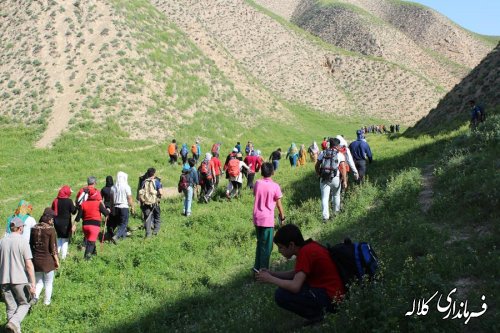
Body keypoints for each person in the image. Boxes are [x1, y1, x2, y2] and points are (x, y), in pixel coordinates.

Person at [255, 224, 344, 325]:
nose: (279, 251)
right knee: (288, 289)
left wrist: (270, 279)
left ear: (291, 245)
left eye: (281, 247)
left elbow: (295, 287)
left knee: (281, 295)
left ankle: (319, 316)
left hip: (332, 298)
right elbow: (296, 274)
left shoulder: (305, 253)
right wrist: (272, 273)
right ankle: (318, 314)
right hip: (333, 294)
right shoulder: (308, 247)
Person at [0, 217, 36, 333]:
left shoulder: (2, 241)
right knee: (25, 304)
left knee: (11, 307)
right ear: (20, 228)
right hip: (19, 279)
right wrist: (33, 283)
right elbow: (29, 264)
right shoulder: (22, 241)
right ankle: (14, 323)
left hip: (4, 280)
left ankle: (14, 329)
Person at [252, 162, 285, 271]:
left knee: (260, 243)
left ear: (261, 172)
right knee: (267, 246)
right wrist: (282, 216)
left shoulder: (257, 183)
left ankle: (256, 268)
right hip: (267, 220)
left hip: (257, 218)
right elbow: (279, 204)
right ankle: (263, 271)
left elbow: (255, 194)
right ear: (272, 172)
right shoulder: (275, 186)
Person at [30, 208, 59, 306]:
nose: (53, 220)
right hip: (48, 261)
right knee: (48, 282)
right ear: (49, 219)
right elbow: (53, 248)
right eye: (52, 218)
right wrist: (57, 261)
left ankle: (35, 298)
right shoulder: (50, 230)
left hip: (36, 260)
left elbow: (30, 245)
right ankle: (46, 303)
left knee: (39, 282)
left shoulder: (33, 228)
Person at [316, 138, 347, 222]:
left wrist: (318, 174)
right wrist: (344, 180)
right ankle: (336, 214)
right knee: (336, 195)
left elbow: (317, 165)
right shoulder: (340, 154)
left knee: (325, 198)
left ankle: (325, 218)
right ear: (337, 146)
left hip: (324, 178)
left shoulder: (323, 152)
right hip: (335, 178)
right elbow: (343, 168)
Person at [75, 187, 109, 259]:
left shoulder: (83, 204)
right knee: (91, 243)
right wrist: (108, 210)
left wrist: (74, 224)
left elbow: (78, 217)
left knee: (90, 241)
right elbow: (106, 213)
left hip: (85, 226)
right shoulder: (98, 203)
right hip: (94, 226)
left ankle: (94, 256)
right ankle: (85, 260)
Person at [51, 185, 77, 260]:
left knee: (59, 238)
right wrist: (75, 206)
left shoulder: (55, 200)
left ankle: (56, 255)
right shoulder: (69, 201)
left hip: (56, 222)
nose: (70, 193)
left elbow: (52, 210)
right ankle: (63, 257)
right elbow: (74, 212)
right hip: (65, 223)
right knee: (65, 240)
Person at [138, 168, 163, 238]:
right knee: (157, 216)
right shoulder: (156, 182)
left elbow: (140, 193)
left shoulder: (144, 182)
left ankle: (148, 234)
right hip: (155, 203)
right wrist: (158, 197)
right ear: (154, 173)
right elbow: (161, 192)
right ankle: (155, 231)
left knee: (147, 219)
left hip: (146, 203)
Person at [111, 171, 134, 242]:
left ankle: (123, 238)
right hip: (124, 207)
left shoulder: (113, 187)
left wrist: (112, 208)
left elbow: (112, 199)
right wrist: (132, 206)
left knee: (119, 223)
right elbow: (129, 198)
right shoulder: (126, 187)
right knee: (124, 223)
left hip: (116, 207)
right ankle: (117, 236)